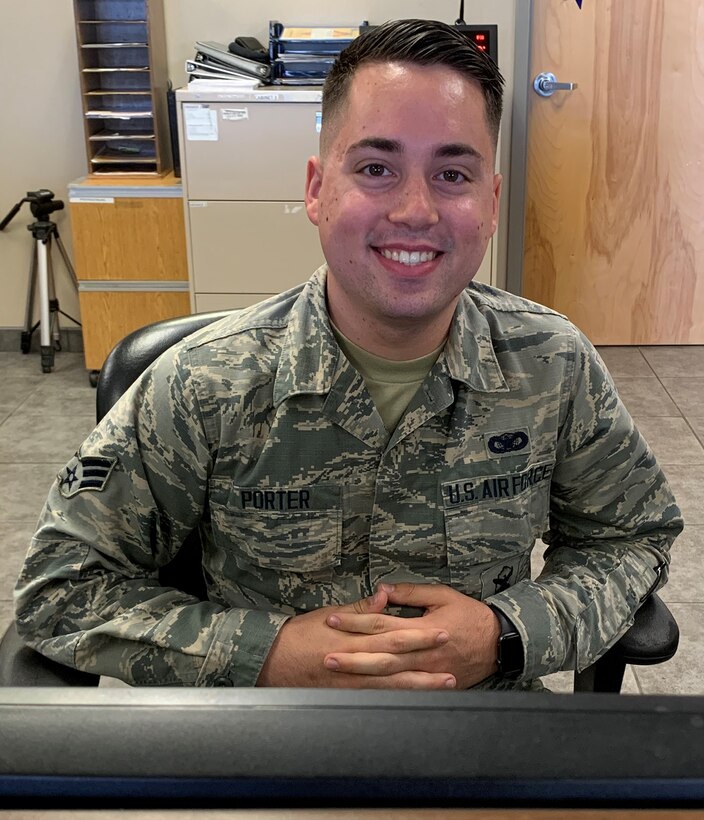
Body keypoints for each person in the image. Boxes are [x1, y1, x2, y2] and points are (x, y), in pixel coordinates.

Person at [15, 19, 682, 690]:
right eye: (376, 168)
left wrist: (507, 634)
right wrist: (267, 654)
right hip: (268, 752)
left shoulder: (553, 365)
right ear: (316, 189)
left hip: (486, 741)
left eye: (453, 173)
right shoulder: (202, 383)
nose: (416, 210)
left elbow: (632, 537)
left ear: (492, 201)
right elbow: (59, 591)